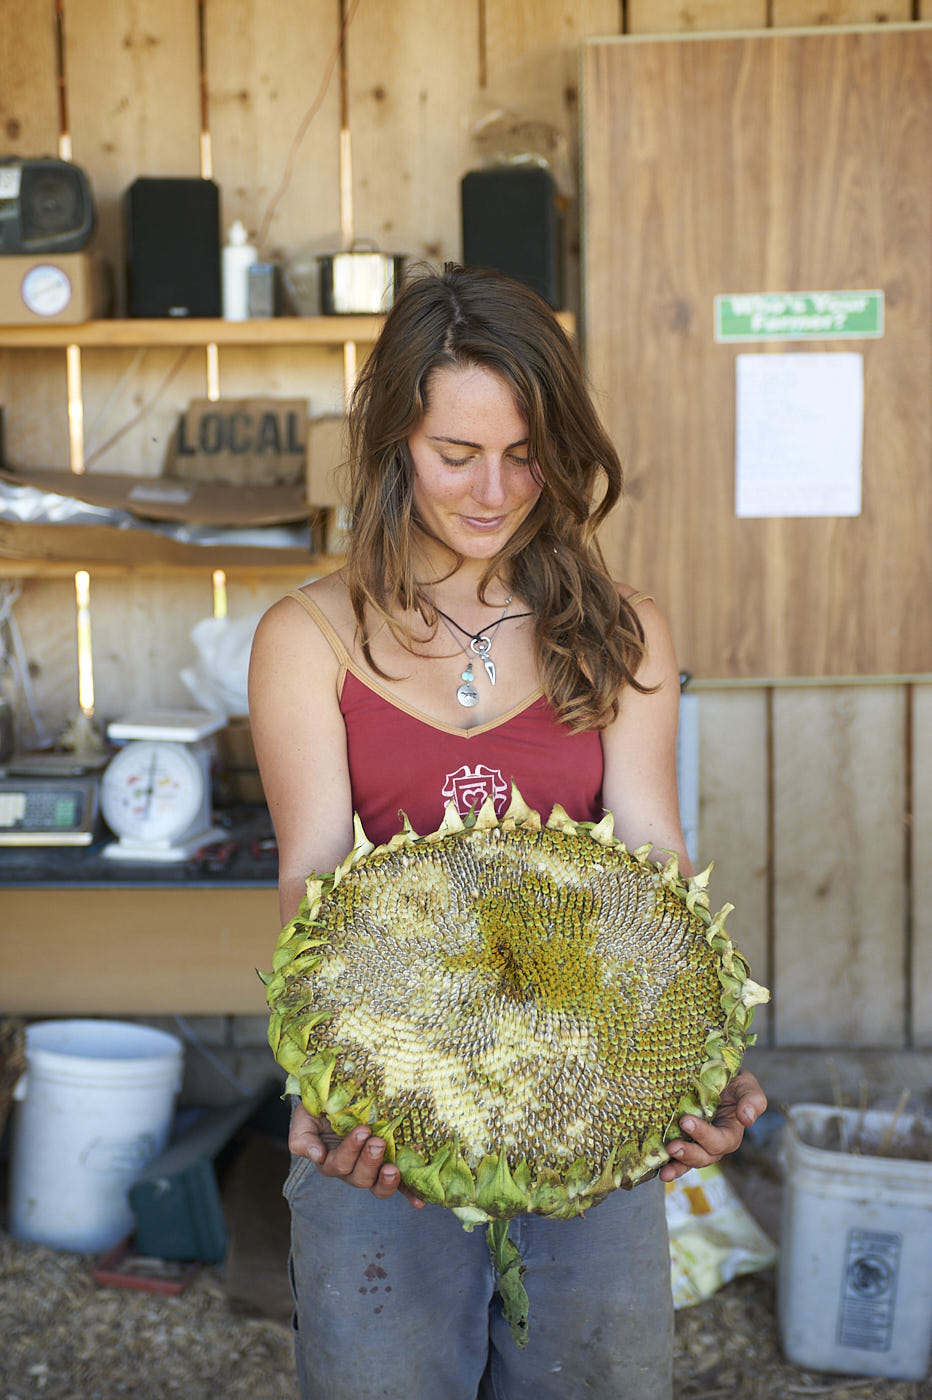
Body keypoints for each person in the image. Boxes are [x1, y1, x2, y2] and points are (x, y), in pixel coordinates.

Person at [248, 264, 767, 1400]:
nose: (494, 489)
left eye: (525, 452)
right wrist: (336, 1077)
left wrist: (701, 1054)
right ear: (393, 442)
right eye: (455, 453)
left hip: (580, 1092)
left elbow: (653, 858)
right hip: (390, 1099)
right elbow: (312, 876)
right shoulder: (308, 635)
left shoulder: (621, 630)